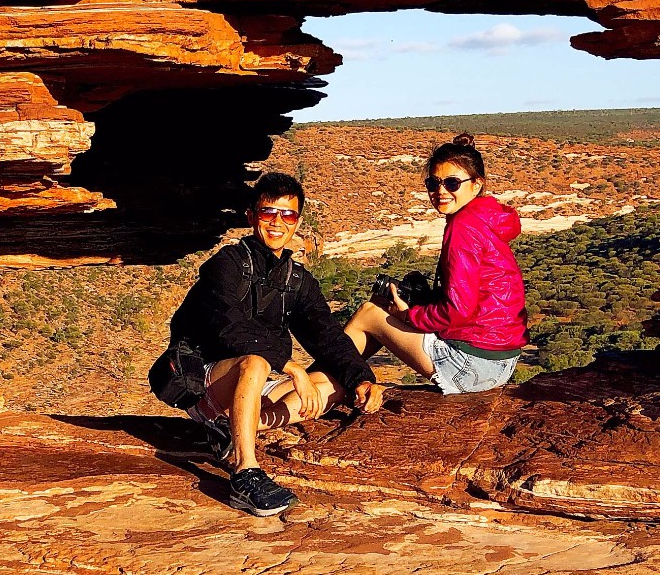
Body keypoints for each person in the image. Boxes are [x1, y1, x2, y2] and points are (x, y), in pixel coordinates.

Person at [150, 172, 383, 517]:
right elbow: (231, 327)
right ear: (250, 216)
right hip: (207, 380)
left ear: (298, 221)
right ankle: (245, 471)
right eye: (267, 212)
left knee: (334, 384)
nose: (277, 223)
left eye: (287, 215)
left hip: (253, 388)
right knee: (255, 363)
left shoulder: (296, 279)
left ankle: (236, 427)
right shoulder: (226, 265)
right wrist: (292, 368)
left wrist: (362, 379)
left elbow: (326, 333)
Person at [344, 139, 528, 394]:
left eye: (452, 183)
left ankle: (321, 383)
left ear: (476, 185)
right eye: (433, 183)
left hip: (472, 365)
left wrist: (408, 316)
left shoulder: (463, 226)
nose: (441, 191)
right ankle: (334, 377)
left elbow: (459, 310)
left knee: (369, 313)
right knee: (384, 303)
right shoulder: (485, 217)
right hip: (500, 361)